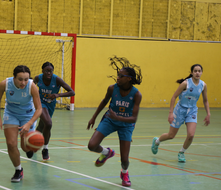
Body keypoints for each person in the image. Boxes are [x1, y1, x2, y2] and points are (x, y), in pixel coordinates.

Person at [87, 57, 142, 187]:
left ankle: (124, 172)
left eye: (121, 76)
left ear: (129, 78)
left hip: (126, 125)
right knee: (91, 145)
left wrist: (118, 117)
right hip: (110, 120)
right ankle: (106, 152)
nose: (117, 77)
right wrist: (94, 116)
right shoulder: (112, 88)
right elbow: (104, 101)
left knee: (124, 159)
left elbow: (134, 118)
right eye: (118, 75)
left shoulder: (136, 94)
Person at [151, 64, 210, 163]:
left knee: (191, 135)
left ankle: (181, 153)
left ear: (202, 72)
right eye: (195, 71)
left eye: (199, 71)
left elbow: (205, 100)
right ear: (191, 72)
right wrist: (170, 113)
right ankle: (157, 141)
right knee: (171, 135)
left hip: (192, 111)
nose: (197, 73)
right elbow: (174, 97)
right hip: (180, 110)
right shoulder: (185, 83)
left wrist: (208, 113)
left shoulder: (203, 85)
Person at [0, 65, 42, 182]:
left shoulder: (32, 86)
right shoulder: (4, 84)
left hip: (28, 115)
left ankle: (29, 149)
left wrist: (29, 123)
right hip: (11, 113)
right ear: (14, 77)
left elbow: (39, 109)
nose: (23, 82)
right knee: (11, 143)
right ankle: (18, 170)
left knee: (25, 147)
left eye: (26, 79)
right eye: (20, 79)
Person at [33, 61, 75, 160]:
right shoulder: (38, 78)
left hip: (51, 105)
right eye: (46, 71)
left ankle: (33, 142)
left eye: (51, 71)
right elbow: (30, 87)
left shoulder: (57, 79)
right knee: (48, 123)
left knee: (42, 125)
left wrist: (58, 95)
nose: (49, 73)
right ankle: (45, 149)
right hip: (40, 103)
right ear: (42, 71)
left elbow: (72, 92)